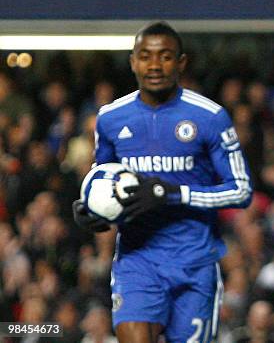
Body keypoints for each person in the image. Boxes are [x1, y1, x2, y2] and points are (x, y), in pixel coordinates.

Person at [72, 21, 252, 343]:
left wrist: (174, 194)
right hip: (137, 260)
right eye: (145, 56)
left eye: (165, 56)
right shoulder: (110, 118)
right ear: (132, 61)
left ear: (181, 63)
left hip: (194, 264)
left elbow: (241, 190)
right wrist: (92, 211)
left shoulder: (210, 117)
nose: (155, 65)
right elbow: (104, 180)